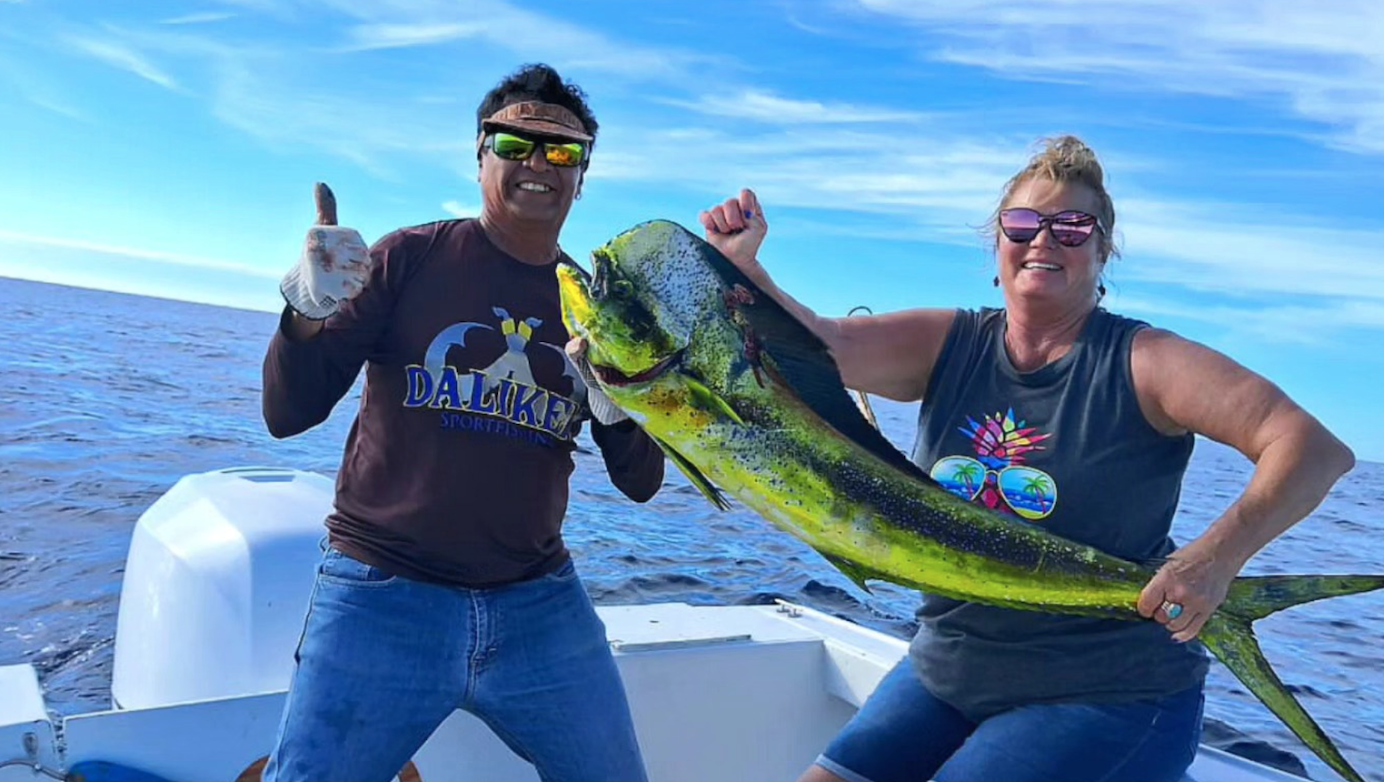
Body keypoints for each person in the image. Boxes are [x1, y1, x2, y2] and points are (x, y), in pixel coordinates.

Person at [699, 135, 1355, 782]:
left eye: (1072, 227)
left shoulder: (1146, 362)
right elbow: (819, 345)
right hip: (946, 669)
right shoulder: (948, 341)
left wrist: (1213, 561)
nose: (1044, 240)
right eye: (1023, 223)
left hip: (1105, 692)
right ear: (998, 245)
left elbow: (1312, 449)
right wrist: (743, 269)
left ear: (1102, 252)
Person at [259, 63, 664, 782]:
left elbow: (640, 484)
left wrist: (621, 410)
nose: (538, 164)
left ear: (583, 176)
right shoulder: (407, 258)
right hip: (381, 592)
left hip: (540, 604)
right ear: (480, 157)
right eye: (514, 144)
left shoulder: (596, 306)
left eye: (563, 152)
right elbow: (289, 414)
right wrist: (306, 315)